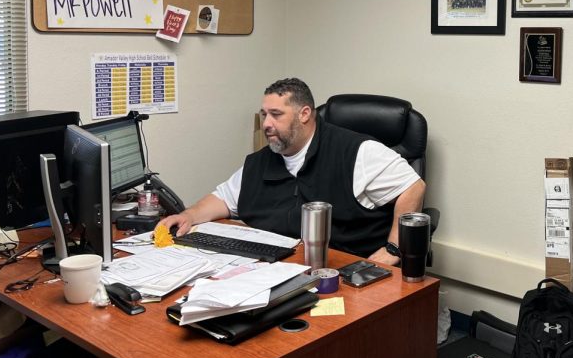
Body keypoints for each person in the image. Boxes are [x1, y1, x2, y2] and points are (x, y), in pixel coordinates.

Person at [160, 78, 426, 266]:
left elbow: (413, 187)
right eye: (264, 115)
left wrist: (394, 248)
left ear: (304, 114)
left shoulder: (356, 151)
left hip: (345, 268)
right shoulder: (262, 161)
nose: (266, 124)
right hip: (279, 266)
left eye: (276, 114)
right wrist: (188, 215)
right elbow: (223, 198)